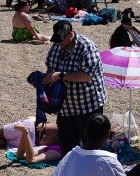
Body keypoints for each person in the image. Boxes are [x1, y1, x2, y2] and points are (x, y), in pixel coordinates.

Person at [44, 20, 107, 153]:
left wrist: (61, 75)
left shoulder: (86, 47)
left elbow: (86, 76)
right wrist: (46, 80)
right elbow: (50, 66)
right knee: (67, 145)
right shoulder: (56, 46)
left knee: (90, 146)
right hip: (65, 107)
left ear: (71, 34)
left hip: (87, 106)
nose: (60, 43)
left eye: (62, 39)